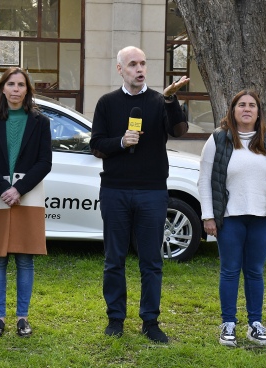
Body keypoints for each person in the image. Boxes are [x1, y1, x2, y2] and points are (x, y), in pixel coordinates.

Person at [89, 46, 189, 343]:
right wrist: (121, 141)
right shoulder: (107, 103)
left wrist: (171, 99)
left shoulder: (161, 100)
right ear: (120, 69)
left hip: (152, 191)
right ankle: (115, 318)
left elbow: (180, 130)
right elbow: (96, 145)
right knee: (114, 259)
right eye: (133, 64)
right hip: (115, 190)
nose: (139, 68)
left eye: (143, 63)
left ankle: (150, 321)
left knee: (151, 261)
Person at [197, 89, 266, 347]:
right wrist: (208, 216)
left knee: (255, 272)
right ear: (233, 110)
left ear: (258, 112)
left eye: (252, 105)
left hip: (261, 217)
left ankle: (255, 325)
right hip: (230, 218)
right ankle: (228, 325)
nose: (246, 109)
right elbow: (205, 180)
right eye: (241, 105)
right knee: (230, 271)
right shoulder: (218, 140)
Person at [0, 67, 52, 338]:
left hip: (27, 196)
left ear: (28, 90)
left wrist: (18, 189)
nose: (16, 89)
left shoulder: (41, 122)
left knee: (24, 259)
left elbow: (45, 162)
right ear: (2, 88)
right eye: (11, 84)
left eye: (21, 84)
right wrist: (3, 188)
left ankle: (22, 317)